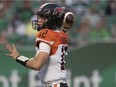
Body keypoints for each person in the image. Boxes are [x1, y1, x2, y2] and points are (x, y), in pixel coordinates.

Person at [6, 3, 75, 87]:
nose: (39, 20)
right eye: (39, 17)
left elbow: (36, 64)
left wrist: (18, 57)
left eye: (43, 18)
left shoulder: (46, 34)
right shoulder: (61, 35)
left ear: (51, 20)